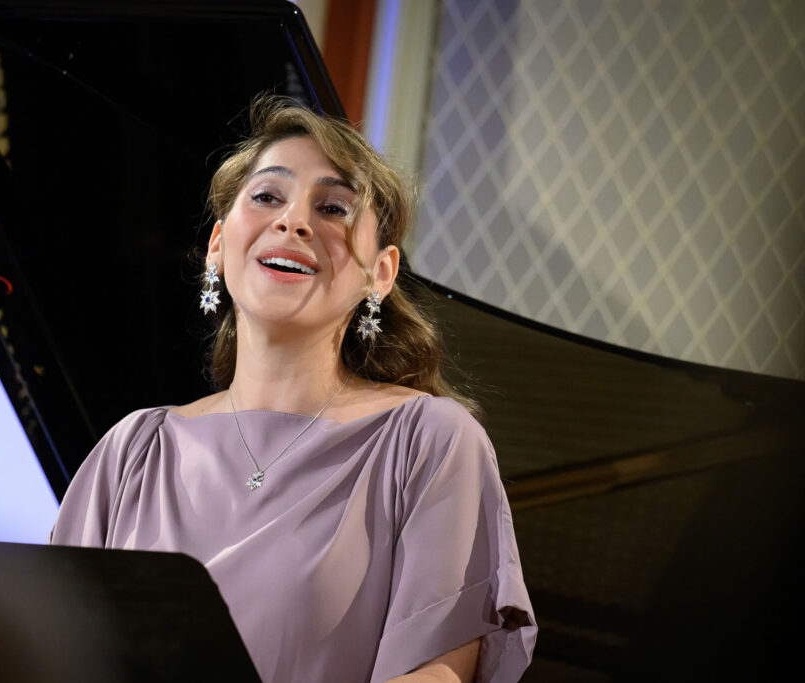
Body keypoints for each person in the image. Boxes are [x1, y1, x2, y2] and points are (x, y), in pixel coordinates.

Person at [49, 96, 536, 682]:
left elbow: (437, 674)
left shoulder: (427, 440)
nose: (293, 221)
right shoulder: (133, 450)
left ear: (380, 274)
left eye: (332, 208)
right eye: (266, 197)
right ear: (218, 244)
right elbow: (50, 650)